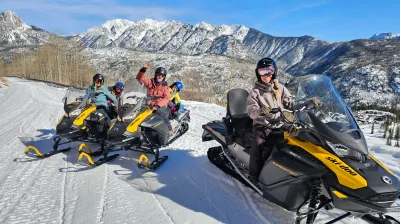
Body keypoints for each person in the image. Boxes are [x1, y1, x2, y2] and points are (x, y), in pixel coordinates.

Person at [246, 58, 294, 184]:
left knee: (298, 136)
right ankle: (254, 175)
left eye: (269, 71)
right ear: (258, 73)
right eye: (262, 72)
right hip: (262, 125)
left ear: (274, 72)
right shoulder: (255, 92)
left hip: (280, 122)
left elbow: (290, 103)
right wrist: (260, 111)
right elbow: (251, 111)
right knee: (258, 144)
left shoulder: (280, 88)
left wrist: (305, 104)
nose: (266, 75)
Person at [136, 63, 172, 135]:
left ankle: (169, 130)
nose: (160, 77)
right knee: (138, 113)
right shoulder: (150, 82)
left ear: (164, 77)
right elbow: (139, 78)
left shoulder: (165, 87)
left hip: (160, 105)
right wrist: (143, 69)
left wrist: (157, 105)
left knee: (161, 114)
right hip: (149, 104)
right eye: (158, 74)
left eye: (162, 76)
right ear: (156, 75)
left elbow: (166, 98)